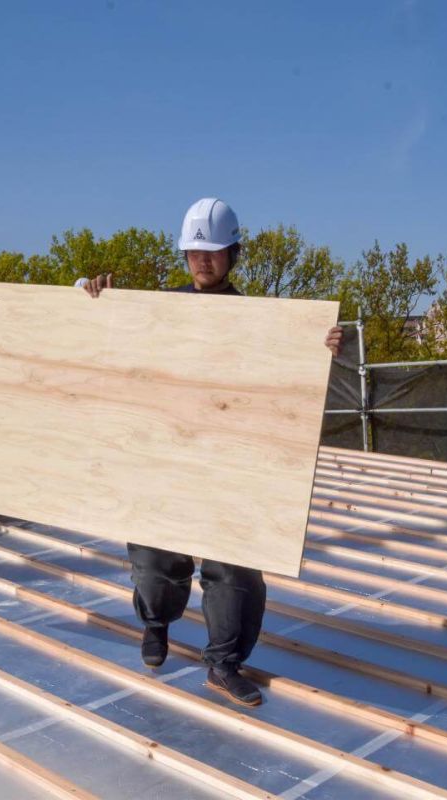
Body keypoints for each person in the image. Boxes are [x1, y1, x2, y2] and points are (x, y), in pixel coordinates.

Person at [83, 198, 343, 707]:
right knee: (156, 557)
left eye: (214, 252)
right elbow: (114, 359)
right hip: (169, 456)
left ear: (233, 255)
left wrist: (321, 350)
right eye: (194, 252)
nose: (203, 261)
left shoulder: (259, 321)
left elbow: (287, 386)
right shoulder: (160, 312)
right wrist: (99, 306)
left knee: (235, 567)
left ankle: (224, 664)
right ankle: (156, 624)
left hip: (231, 460)